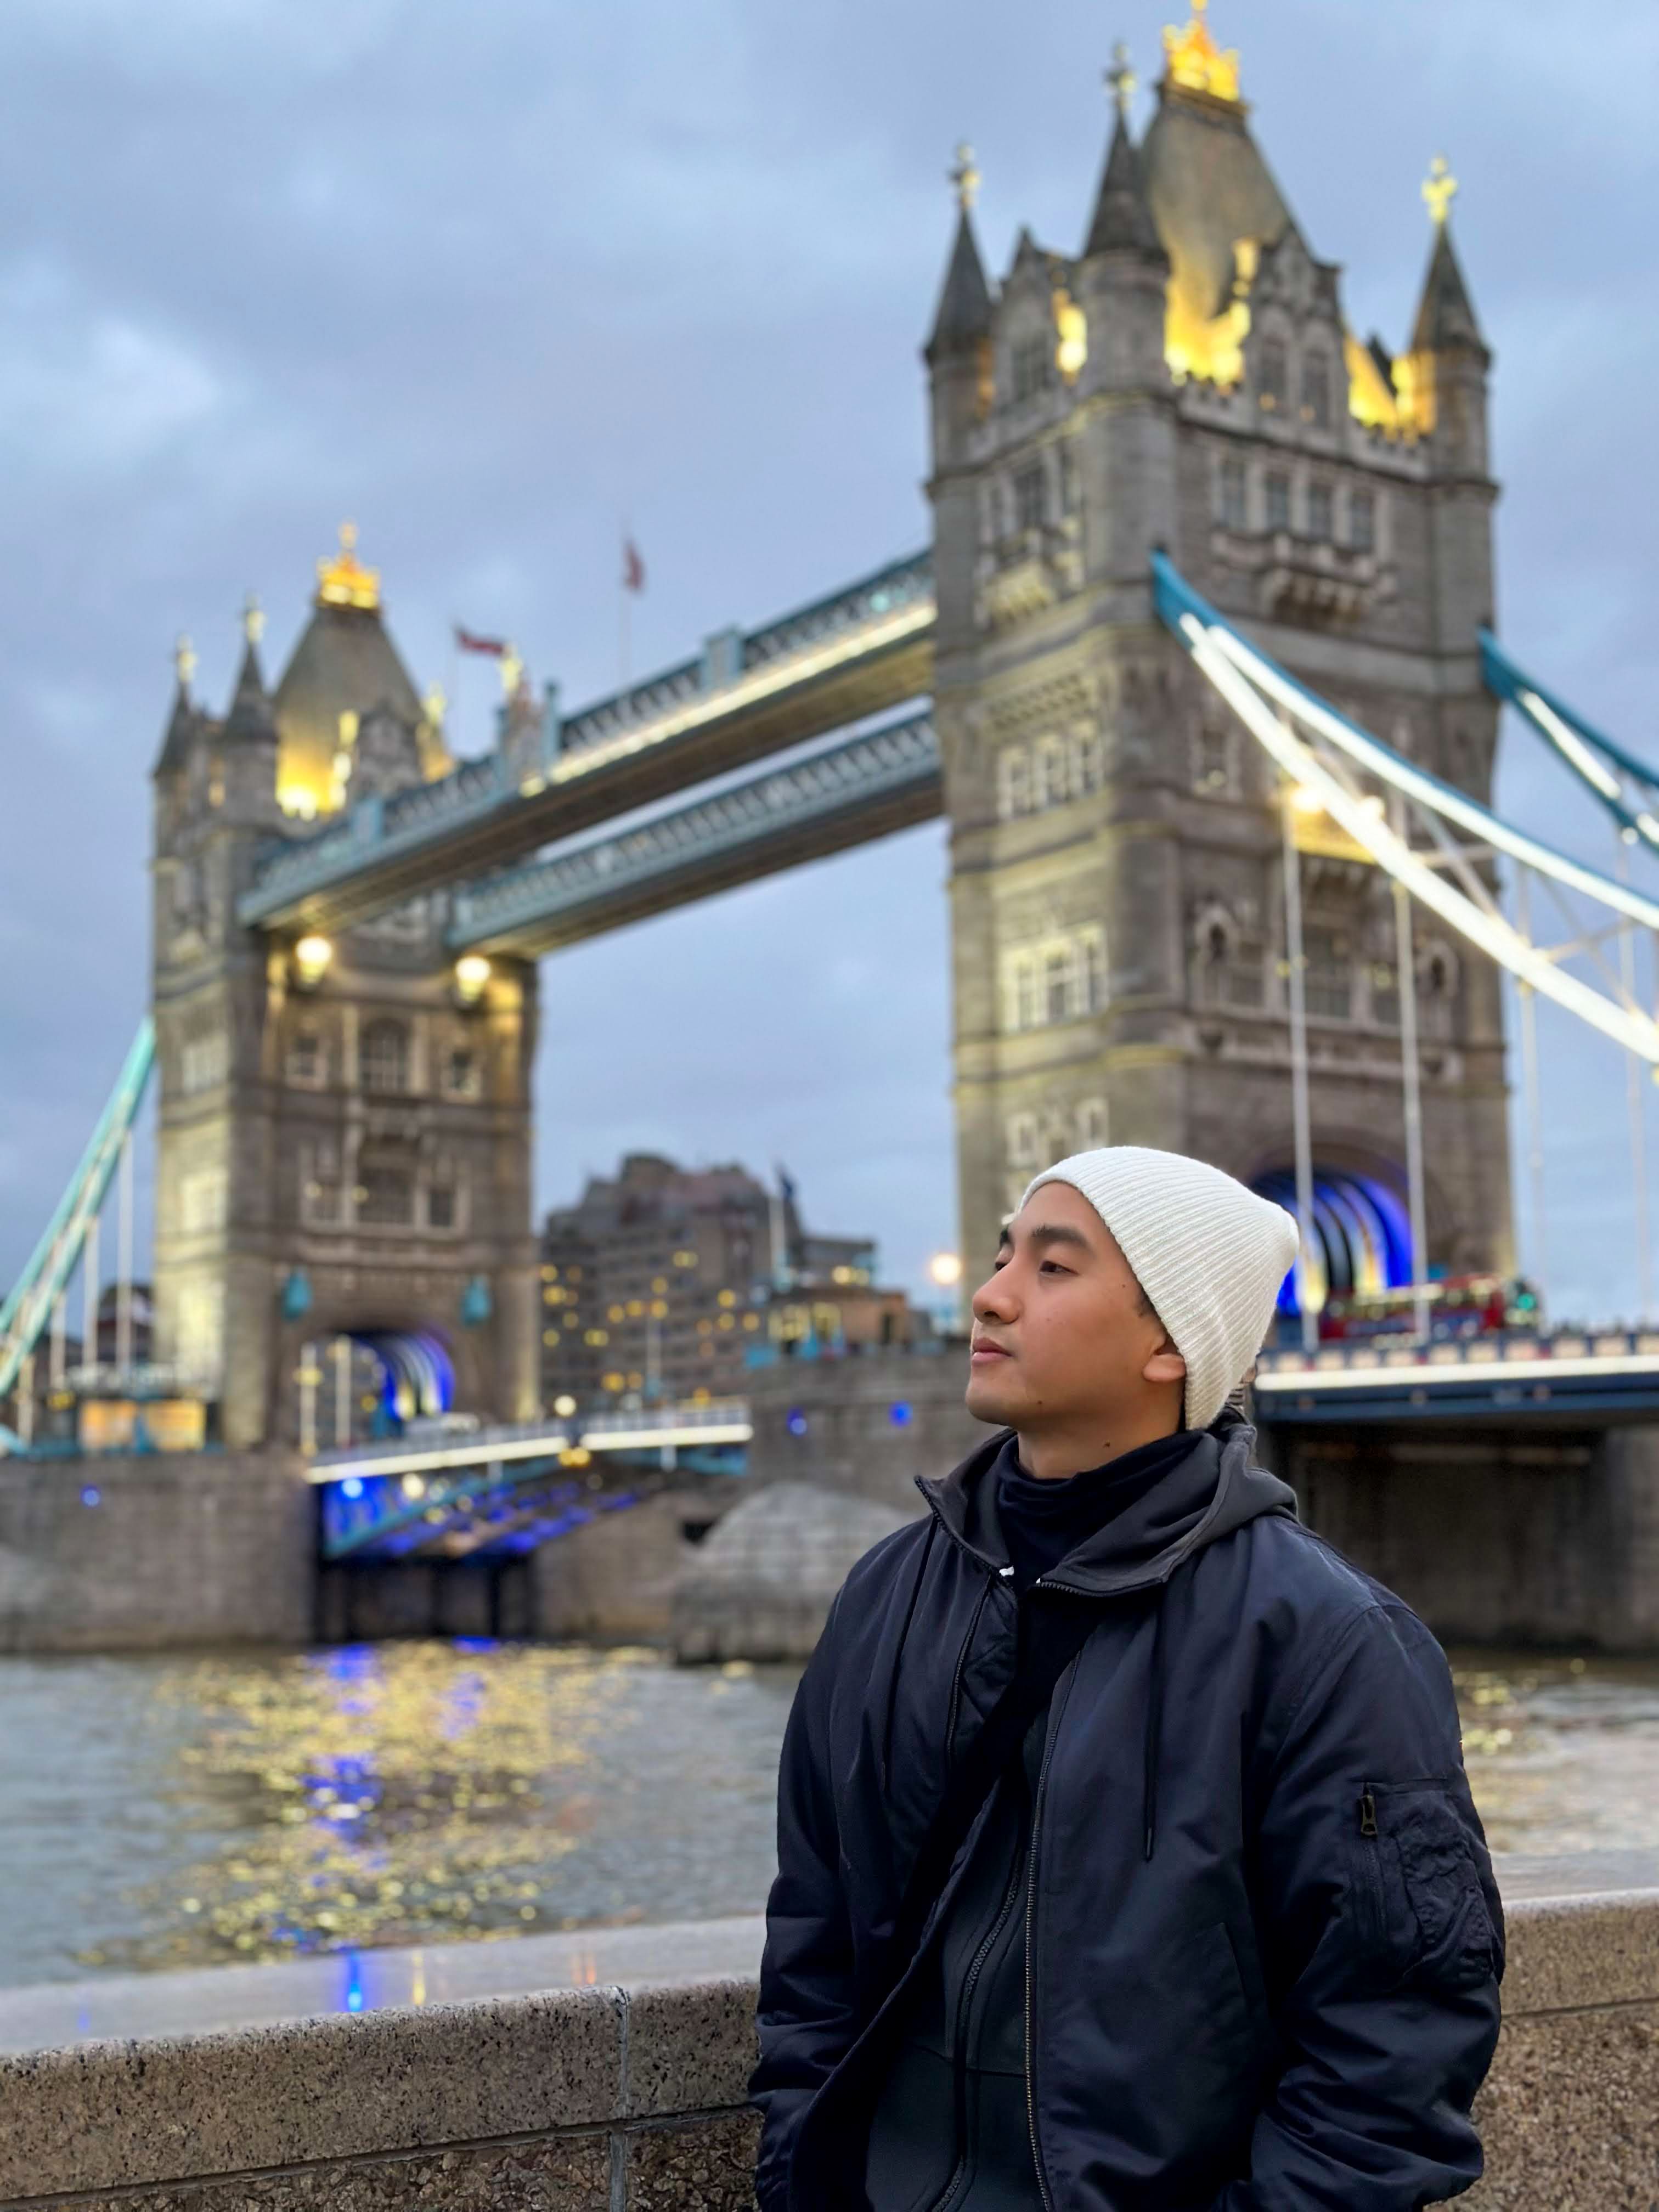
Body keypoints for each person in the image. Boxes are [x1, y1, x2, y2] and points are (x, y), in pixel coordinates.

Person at [752, 1144, 1502, 2212]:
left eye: (1053, 1268)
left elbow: (1392, 2053)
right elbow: (811, 1936)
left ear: (1170, 1342)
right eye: (1004, 1256)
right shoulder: (887, 1595)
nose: (991, 1295)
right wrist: (800, 2176)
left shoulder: (1330, 1645)